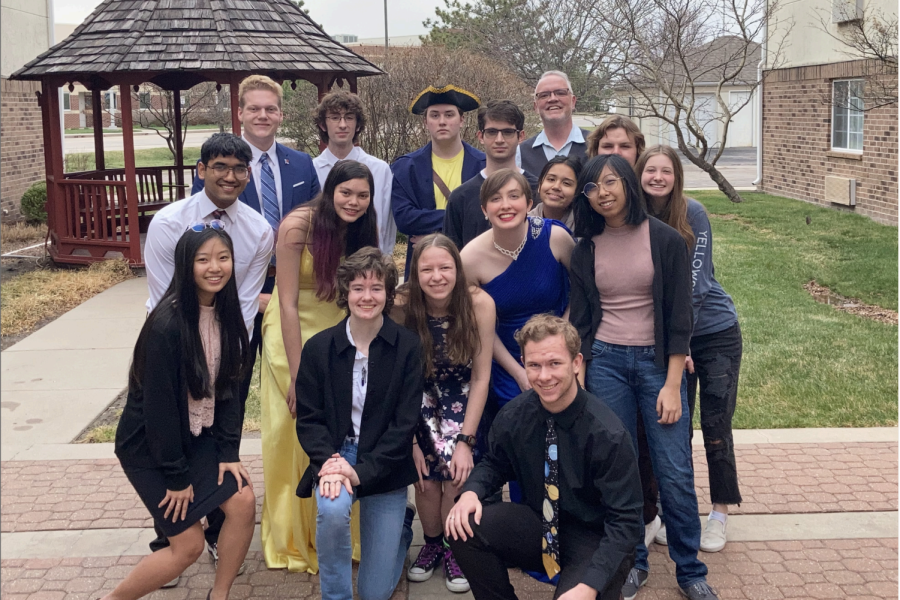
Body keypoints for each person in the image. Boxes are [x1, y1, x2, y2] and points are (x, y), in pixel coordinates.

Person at [569, 154, 718, 600]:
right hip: (607, 365)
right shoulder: (586, 246)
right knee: (623, 470)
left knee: (673, 470)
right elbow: (581, 322)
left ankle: (690, 570)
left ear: (628, 184)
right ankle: (633, 562)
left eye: (611, 182)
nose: (603, 193)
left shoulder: (666, 239)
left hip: (657, 367)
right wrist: (580, 374)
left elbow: (678, 318)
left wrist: (673, 384)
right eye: (593, 188)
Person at [144, 132, 272, 583]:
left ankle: (217, 533)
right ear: (201, 170)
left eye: (239, 169)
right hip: (174, 344)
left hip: (230, 342)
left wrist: (230, 357)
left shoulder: (258, 229)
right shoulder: (167, 222)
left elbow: (243, 299)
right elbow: (163, 297)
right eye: (219, 167)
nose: (230, 176)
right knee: (170, 433)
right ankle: (172, 537)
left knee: (218, 439)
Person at [445, 314, 642, 600]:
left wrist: (589, 586)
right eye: (534, 365)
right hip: (540, 525)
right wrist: (471, 493)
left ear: (576, 363)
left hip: (595, 538)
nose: (544, 376)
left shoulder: (607, 434)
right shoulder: (515, 415)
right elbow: (493, 464)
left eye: (554, 363)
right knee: (463, 527)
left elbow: (625, 522)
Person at [109, 226, 256, 600]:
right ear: (185, 266)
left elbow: (229, 392)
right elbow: (158, 412)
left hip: (196, 435)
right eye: (203, 259)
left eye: (223, 258)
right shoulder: (166, 325)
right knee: (187, 547)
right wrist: (176, 477)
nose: (215, 267)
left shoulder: (228, 317)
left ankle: (219, 595)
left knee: (242, 500)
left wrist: (228, 453)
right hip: (148, 446)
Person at [259, 160, 379, 572]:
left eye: (363, 195)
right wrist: (296, 374)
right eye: (346, 193)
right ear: (330, 191)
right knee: (294, 432)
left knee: (343, 424)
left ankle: (340, 528)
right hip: (291, 332)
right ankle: (293, 535)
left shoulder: (362, 228)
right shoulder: (297, 226)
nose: (354, 201)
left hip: (336, 329)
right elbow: (287, 302)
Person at [296, 247, 423, 600]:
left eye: (376, 288)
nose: (367, 296)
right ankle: (335, 597)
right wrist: (330, 461)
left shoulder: (407, 347)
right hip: (336, 455)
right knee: (334, 511)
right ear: (345, 293)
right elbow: (309, 418)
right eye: (358, 288)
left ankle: (400, 532)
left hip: (386, 461)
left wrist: (363, 471)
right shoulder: (319, 348)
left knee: (374, 594)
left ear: (388, 294)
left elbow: (405, 423)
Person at [637, 145, 743, 553]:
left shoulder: (692, 212)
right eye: (651, 170)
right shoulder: (632, 217)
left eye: (666, 170)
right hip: (670, 338)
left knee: (715, 425)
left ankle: (719, 513)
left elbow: (695, 285)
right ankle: (674, 510)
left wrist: (680, 345)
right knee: (672, 427)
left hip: (712, 332)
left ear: (676, 176)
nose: (658, 177)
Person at [392, 234, 496, 592]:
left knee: (455, 472)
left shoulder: (479, 303)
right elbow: (396, 376)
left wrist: (466, 440)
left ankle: (455, 547)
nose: (437, 276)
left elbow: (482, 376)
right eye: (427, 269)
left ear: (458, 268)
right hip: (417, 398)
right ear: (415, 273)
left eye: (445, 267)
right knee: (425, 481)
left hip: (464, 397)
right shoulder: (403, 305)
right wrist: (409, 441)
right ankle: (432, 543)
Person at [461, 169, 574, 414]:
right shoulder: (469, 259)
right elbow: (480, 327)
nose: (505, 206)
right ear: (484, 210)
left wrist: (564, 339)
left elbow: (583, 293)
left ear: (529, 203)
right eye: (495, 199)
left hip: (560, 350)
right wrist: (519, 373)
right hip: (506, 360)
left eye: (514, 196)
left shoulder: (556, 238)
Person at [391, 84, 486, 274]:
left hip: (473, 266)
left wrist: (433, 233)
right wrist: (460, 221)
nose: (442, 121)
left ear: (462, 120)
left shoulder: (484, 165)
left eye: (449, 114)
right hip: (423, 267)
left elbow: (487, 219)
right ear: (425, 122)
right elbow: (405, 219)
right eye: (434, 115)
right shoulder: (405, 167)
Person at [443, 100, 539, 249]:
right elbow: (453, 257)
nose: (499, 140)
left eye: (508, 132)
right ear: (481, 136)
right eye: (492, 132)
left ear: (521, 136)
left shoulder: (537, 190)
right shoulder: (461, 197)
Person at [312, 90, 396, 256]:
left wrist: (383, 261)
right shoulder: (311, 169)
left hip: (369, 260)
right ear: (323, 124)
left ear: (358, 124)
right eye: (335, 117)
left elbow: (387, 223)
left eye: (349, 117)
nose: (342, 125)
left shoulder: (379, 169)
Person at [518, 71, 591, 176]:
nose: (552, 99)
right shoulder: (520, 153)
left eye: (560, 93)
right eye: (544, 95)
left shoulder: (595, 145)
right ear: (536, 107)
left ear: (573, 101)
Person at [528, 155, 583, 232]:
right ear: (540, 184)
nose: (556, 187)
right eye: (551, 179)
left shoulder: (586, 226)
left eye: (566, 183)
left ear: (577, 191)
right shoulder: (525, 223)